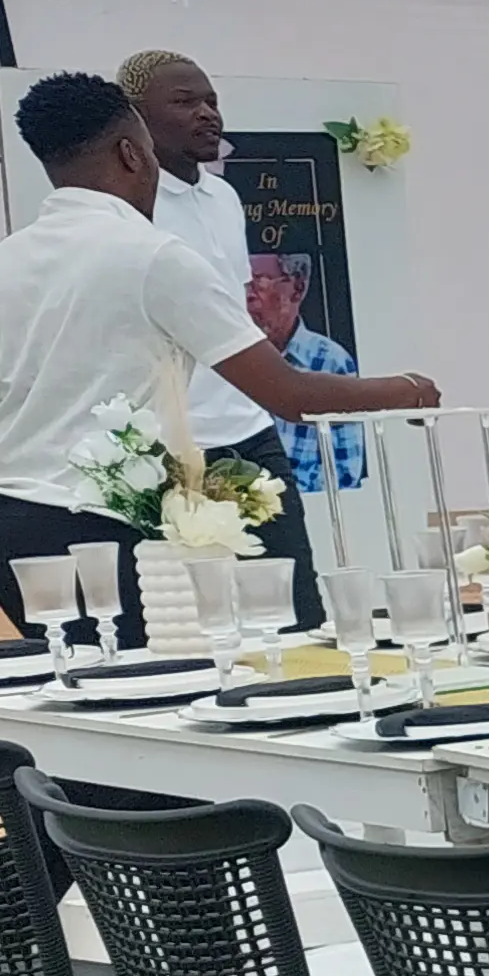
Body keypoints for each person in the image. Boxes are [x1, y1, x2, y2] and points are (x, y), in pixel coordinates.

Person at [0, 73, 435, 650]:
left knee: (88, 705)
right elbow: (289, 393)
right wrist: (407, 388)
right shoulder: (156, 258)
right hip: (110, 534)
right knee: (177, 701)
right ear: (133, 153)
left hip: (14, 534)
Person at [114, 49, 331, 623]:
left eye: (211, 100)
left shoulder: (224, 197)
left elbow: (234, 319)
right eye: (185, 103)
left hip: (251, 431)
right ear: (134, 120)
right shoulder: (126, 211)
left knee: (295, 609)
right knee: (188, 620)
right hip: (167, 444)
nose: (208, 114)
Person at [245, 255, 370, 497]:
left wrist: (276, 499)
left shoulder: (329, 360)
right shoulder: (229, 359)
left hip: (310, 511)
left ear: (297, 287)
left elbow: (344, 471)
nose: (247, 295)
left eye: (257, 283)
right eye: (242, 284)